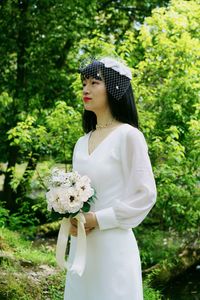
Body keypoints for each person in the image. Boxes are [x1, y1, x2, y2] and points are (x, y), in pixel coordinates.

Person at [64, 56, 157, 300]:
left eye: (94, 82)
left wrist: (99, 218)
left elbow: (146, 194)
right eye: (84, 83)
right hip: (82, 246)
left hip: (113, 246)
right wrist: (69, 214)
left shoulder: (129, 136)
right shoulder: (81, 143)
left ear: (115, 88)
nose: (85, 89)